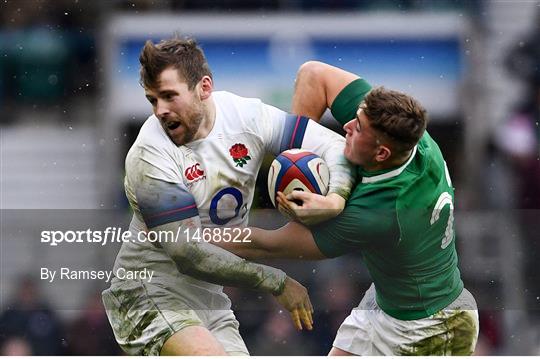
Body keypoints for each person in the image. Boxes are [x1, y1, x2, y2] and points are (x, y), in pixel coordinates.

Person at [101, 39, 355, 356]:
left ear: (204, 87)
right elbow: (187, 252)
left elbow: (335, 148)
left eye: (169, 96)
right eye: (153, 100)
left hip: (211, 302)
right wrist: (275, 281)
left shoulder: (248, 118)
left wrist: (334, 199)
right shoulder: (150, 155)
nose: (160, 110)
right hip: (146, 293)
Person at [214, 61, 480, 355]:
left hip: (429, 329)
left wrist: (182, 236)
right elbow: (313, 74)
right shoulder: (407, 136)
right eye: (356, 117)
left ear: (381, 152)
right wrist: (295, 157)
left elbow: (266, 245)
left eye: (359, 127)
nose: (347, 125)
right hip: (387, 303)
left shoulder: (380, 213)